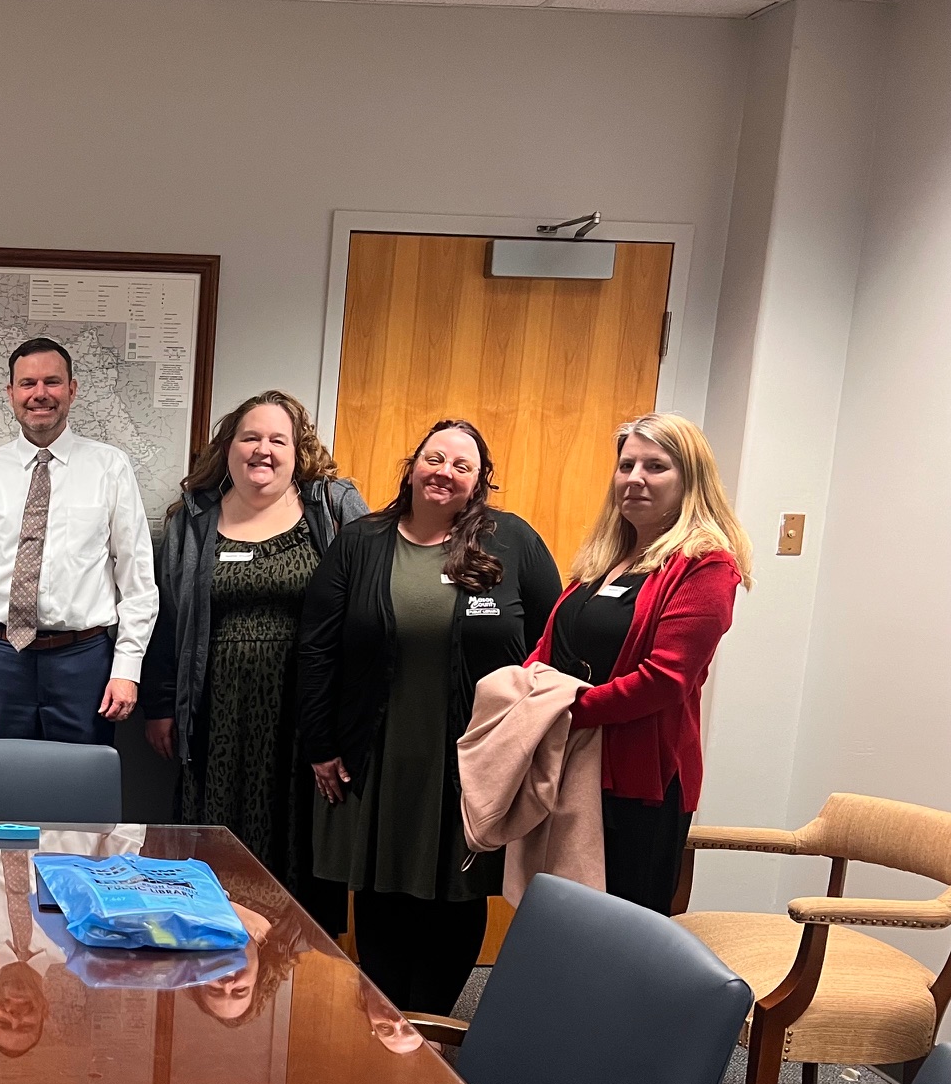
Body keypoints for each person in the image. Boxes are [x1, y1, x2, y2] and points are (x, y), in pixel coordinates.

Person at [297, 419, 561, 1015]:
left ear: (478, 482)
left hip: (472, 754)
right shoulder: (361, 542)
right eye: (434, 458)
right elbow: (318, 648)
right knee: (380, 883)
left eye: (461, 466)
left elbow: (554, 639)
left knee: (458, 889)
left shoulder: (511, 541)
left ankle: (434, 1022)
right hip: (375, 749)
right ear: (412, 466)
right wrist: (319, 741)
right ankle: (387, 1021)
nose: (444, 472)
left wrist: (536, 733)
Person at [139, 390, 365, 938]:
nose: (262, 450)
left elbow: (363, 608)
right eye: (250, 437)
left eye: (276, 440)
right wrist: (161, 704)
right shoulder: (192, 519)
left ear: (297, 450)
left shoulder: (332, 510)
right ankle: (214, 942)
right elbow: (169, 619)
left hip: (303, 709)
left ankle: (299, 958)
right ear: (229, 447)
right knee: (216, 832)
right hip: (213, 709)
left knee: (298, 830)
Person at [530, 413, 752, 914]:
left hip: (637, 781)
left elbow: (663, 681)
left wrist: (562, 710)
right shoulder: (606, 558)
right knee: (559, 919)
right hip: (567, 760)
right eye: (626, 464)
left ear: (690, 480)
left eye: (656, 466)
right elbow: (551, 644)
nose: (635, 478)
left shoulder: (707, 565)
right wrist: (525, 696)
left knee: (617, 932)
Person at [0, 338, 157, 743]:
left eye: (52, 382)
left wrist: (127, 668)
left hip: (84, 662)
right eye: (27, 384)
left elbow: (137, 578)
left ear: (72, 390)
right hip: (0, 660)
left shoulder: (109, 467)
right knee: (1, 787)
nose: (39, 394)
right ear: (10, 394)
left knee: (80, 789)